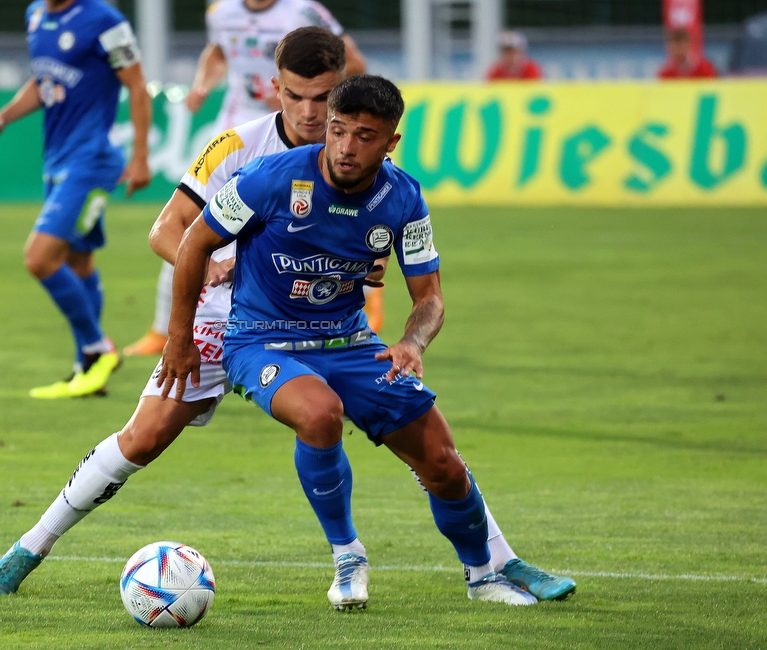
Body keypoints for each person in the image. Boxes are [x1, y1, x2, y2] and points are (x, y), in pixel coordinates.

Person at [0, 32, 574, 609]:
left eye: (324, 99)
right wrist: (214, 276)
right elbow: (170, 231)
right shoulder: (240, 149)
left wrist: (386, 308)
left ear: (345, 91)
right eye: (297, 96)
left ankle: (495, 564)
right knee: (146, 436)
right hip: (223, 314)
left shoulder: (376, 166)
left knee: (431, 445)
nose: (313, 114)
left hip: (331, 328)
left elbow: (408, 272)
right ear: (273, 89)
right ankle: (28, 547)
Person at [159, 74, 576, 608]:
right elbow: (194, 243)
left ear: (390, 143)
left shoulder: (402, 198)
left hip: (351, 344)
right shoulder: (269, 177)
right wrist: (180, 338)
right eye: (337, 131)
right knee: (319, 413)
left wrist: (412, 343)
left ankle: (485, 574)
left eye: (363, 135)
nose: (345, 147)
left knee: (443, 462)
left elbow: (430, 299)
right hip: (262, 341)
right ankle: (348, 554)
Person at [123, 0, 373, 358]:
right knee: (193, 231)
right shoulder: (220, 13)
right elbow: (218, 52)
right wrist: (201, 87)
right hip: (243, 121)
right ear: (278, 85)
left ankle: (351, 314)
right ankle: (162, 328)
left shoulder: (305, 12)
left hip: (301, 127)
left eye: (321, 94)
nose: (308, 105)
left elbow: (353, 61)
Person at [0, 0, 152, 398]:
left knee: (39, 258)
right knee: (78, 261)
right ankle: (86, 374)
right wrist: (1, 118)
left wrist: (140, 156)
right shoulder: (36, 14)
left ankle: (98, 348)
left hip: (90, 162)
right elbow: (44, 83)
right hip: (56, 160)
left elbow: (137, 85)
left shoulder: (104, 19)